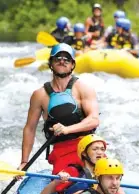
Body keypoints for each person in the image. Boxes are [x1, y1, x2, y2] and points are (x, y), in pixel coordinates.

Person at [19, 43, 99, 175]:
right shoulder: (39, 95)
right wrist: (24, 162)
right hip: (61, 150)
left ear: (72, 65)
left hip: (88, 146)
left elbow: (94, 120)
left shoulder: (84, 88)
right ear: (51, 63)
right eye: (58, 58)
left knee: (106, 179)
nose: (62, 61)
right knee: (63, 183)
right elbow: (30, 128)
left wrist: (67, 129)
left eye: (67, 59)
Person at [40, 134, 106, 194]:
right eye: (95, 149)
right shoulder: (73, 171)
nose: (100, 152)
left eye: (102, 149)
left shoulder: (106, 174)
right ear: (84, 153)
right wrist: (57, 181)